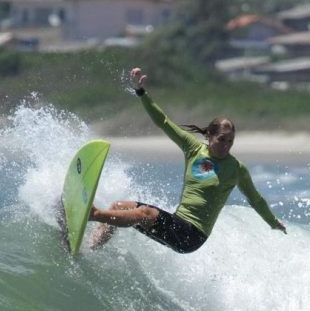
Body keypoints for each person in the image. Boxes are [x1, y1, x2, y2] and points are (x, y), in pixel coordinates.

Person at [89, 67, 286, 253]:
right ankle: (89, 248)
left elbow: (255, 199)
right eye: (222, 140)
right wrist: (141, 91)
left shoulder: (236, 168)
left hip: (193, 236)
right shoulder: (193, 148)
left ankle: (93, 214)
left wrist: (273, 222)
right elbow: (163, 122)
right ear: (209, 136)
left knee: (146, 213)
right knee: (118, 207)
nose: (226, 145)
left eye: (231, 141)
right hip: (178, 224)